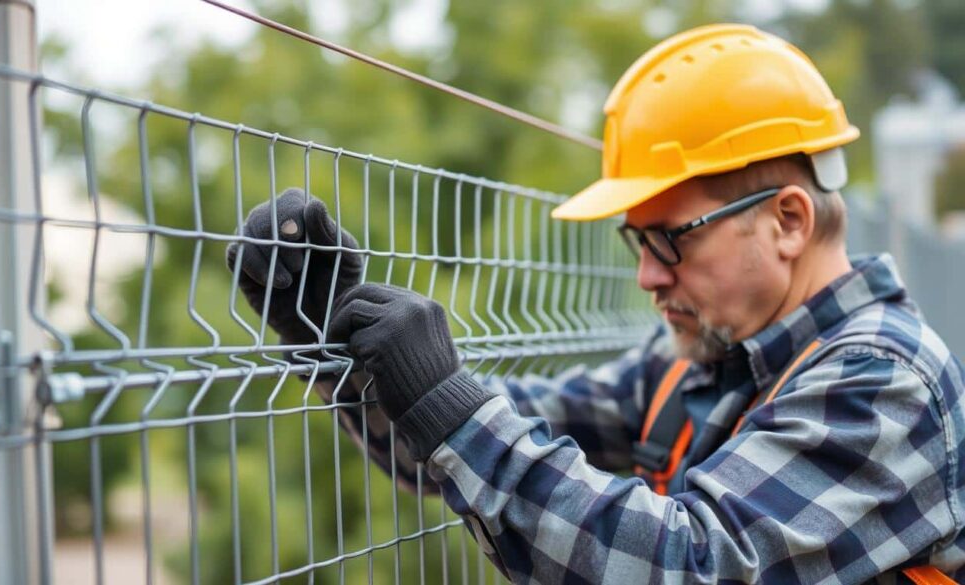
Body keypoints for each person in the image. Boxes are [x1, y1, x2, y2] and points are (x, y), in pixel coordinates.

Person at [227, 24, 965, 584]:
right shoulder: (711, 359)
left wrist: (450, 409)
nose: (648, 276)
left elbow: (689, 559)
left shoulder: (883, 382)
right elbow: (481, 439)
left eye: (670, 239)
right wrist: (344, 343)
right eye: (635, 242)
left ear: (789, 221)